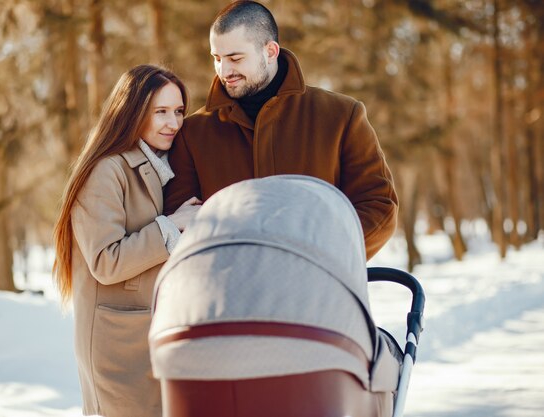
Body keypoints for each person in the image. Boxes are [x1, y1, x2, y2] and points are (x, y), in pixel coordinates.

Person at [164, 1, 398, 259]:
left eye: (235, 58)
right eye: (217, 59)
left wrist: (324, 256)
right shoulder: (194, 133)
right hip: (231, 293)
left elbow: (378, 206)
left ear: (271, 51)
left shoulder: (341, 115)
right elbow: (181, 218)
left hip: (321, 290)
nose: (224, 71)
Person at [52, 65, 200, 417]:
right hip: (117, 347)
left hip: (152, 337)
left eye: (178, 111)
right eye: (160, 112)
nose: (173, 123)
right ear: (132, 112)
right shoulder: (106, 170)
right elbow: (106, 261)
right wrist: (172, 226)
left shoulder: (159, 166)